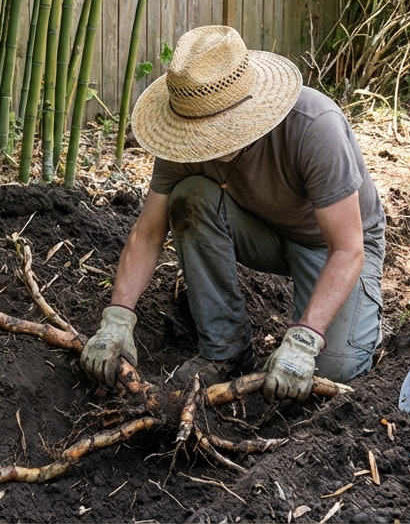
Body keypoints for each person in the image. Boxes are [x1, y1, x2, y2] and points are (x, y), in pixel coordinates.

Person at [81, 25, 386, 401]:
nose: (211, 141)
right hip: (261, 228)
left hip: (330, 245)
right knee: (190, 195)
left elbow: (348, 248)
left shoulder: (314, 126)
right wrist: (117, 318)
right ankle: (226, 350)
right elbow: (146, 234)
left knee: (335, 370)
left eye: (221, 129)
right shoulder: (183, 142)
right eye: (202, 129)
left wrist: (305, 340)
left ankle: (362, 317)